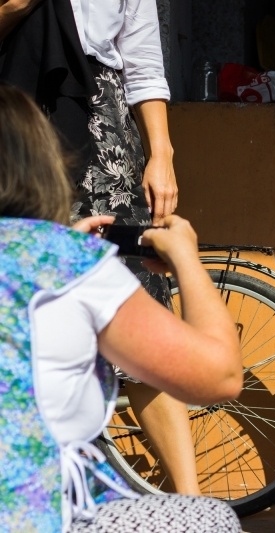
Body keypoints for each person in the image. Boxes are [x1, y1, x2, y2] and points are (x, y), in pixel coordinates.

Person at [0, 83, 242, 532]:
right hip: (38, 516)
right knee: (208, 519)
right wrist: (185, 257)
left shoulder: (61, 253)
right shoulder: (63, 260)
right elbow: (220, 376)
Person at [0, 0, 200, 495]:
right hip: (14, 125)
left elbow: (144, 64)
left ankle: (193, 504)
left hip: (100, 121)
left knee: (137, 303)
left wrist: (161, 155)